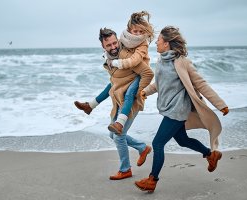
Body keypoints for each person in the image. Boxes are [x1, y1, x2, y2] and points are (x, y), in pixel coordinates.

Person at [134, 26, 229, 192]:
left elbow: (200, 83)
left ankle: (152, 179)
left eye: (159, 40)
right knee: (182, 140)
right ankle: (211, 154)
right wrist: (146, 91)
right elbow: (160, 83)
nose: (156, 42)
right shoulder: (161, 60)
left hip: (178, 110)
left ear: (167, 43)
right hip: (168, 108)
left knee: (157, 143)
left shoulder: (182, 62)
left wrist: (220, 104)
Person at [75, 27, 154, 180]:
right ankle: (142, 148)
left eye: (114, 43)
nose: (113, 47)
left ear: (118, 40)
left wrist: (137, 91)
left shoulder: (126, 56)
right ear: (103, 46)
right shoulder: (109, 59)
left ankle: (125, 170)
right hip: (119, 101)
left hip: (131, 102)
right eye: (109, 45)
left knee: (118, 136)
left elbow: (148, 73)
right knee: (113, 134)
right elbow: (114, 82)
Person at [75, 11, 154, 135]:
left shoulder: (142, 44)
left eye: (141, 31)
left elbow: (136, 61)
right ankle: (90, 105)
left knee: (129, 94)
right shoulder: (124, 39)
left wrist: (118, 63)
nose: (138, 34)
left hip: (139, 73)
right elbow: (116, 50)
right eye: (135, 31)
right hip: (128, 71)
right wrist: (109, 58)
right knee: (111, 84)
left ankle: (120, 123)